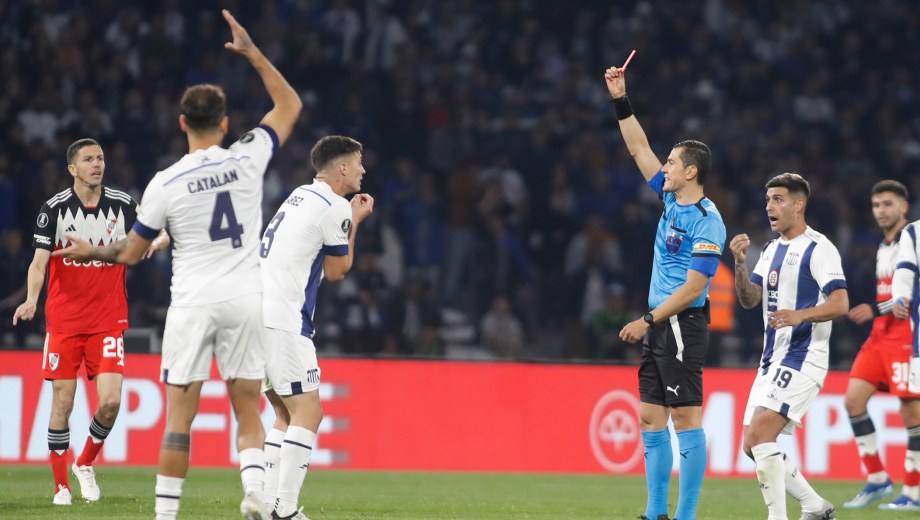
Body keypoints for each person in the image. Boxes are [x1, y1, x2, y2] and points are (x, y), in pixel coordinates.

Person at [54, 10, 302, 520]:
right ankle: (255, 490)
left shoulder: (164, 183)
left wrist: (90, 251)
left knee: (179, 420)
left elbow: (129, 251)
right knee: (247, 408)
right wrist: (253, 53)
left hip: (192, 303)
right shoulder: (248, 155)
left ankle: (166, 516)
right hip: (244, 299)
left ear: (182, 122)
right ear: (227, 124)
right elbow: (290, 105)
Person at [12, 138, 168, 505]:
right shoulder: (53, 210)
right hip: (64, 322)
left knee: (111, 402)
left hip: (108, 320)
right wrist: (32, 299)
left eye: (100, 158)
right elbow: (39, 262)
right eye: (88, 159)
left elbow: (161, 231)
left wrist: (152, 244)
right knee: (62, 403)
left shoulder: (124, 203)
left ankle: (84, 463)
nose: (97, 164)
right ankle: (60, 485)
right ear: (73, 169)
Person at [604, 66, 726, 520]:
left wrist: (648, 320)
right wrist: (621, 99)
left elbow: (696, 287)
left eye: (672, 163)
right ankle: (656, 513)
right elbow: (638, 147)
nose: (664, 167)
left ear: (691, 171)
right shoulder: (672, 199)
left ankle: (686, 515)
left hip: (680, 324)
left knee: (685, 419)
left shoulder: (708, 221)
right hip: (658, 321)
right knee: (650, 419)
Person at [259, 135, 374, 519]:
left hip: (255, 313)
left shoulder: (298, 195)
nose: (363, 169)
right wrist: (354, 221)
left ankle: (265, 505)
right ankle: (285, 511)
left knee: (284, 414)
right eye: (358, 162)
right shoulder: (334, 205)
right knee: (309, 413)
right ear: (341, 167)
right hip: (284, 319)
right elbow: (337, 270)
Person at [730, 173, 847, 520]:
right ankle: (814, 506)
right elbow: (750, 299)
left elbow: (840, 302)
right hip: (771, 359)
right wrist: (740, 264)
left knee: (763, 433)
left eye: (778, 199)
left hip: (804, 356)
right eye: (767, 199)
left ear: (799, 204)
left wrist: (801, 315)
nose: (769, 206)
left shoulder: (819, 247)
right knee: (752, 444)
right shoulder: (769, 250)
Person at [842, 180, 920, 510]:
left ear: (903, 207)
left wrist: (876, 308)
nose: (881, 211)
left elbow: (904, 299)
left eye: (887, 204)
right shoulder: (883, 246)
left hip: (905, 336)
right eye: (876, 205)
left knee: (911, 413)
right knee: (853, 401)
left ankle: (913, 494)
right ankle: (877, 478)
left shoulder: (913, 240)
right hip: (879, 336)